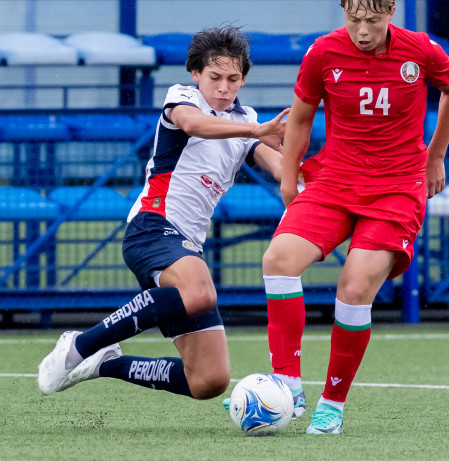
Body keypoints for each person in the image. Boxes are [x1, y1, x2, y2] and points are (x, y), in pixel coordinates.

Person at [37, 25, 289, 403]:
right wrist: (254, 128)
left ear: (244, 79)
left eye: (233, 79)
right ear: (196, 74)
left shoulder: (245, 120)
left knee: (209, 380)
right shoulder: (183, 98)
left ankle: (105, 363)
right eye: (215, 77)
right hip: (151, 229)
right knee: (200, 290)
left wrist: (318, 180)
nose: (223, 87)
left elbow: (282, 169)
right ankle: (79, 346)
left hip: (186, 249)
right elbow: (192, 124)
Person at [262, 0, 449, 434]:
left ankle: (331, 405)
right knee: (278, 259)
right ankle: (287, 383)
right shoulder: (323, 52)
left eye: (373, 19)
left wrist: (435, 154)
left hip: (396, 188)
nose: (363, 30)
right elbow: (300, 118)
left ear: (391, 13)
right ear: (343, 15)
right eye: (354, 19)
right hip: (334, 180)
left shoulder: (420, 49)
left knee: (353, 290)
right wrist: (289, 179)